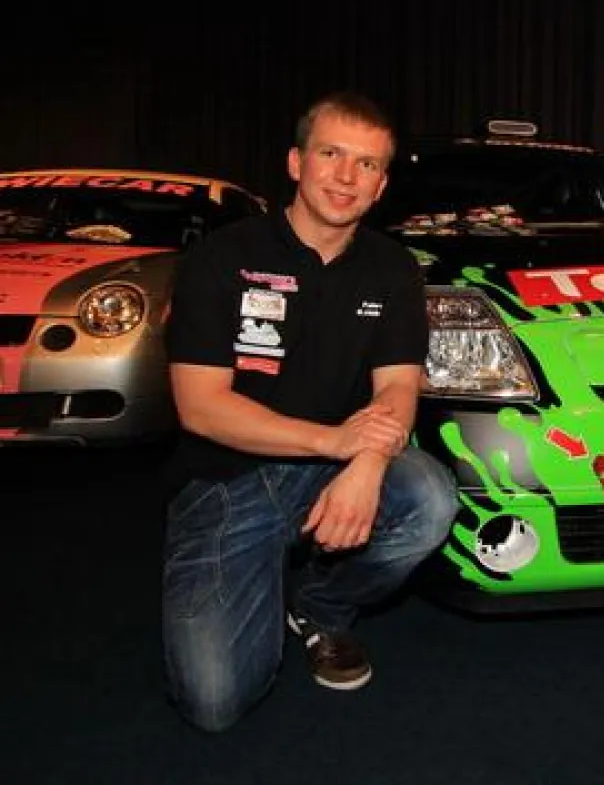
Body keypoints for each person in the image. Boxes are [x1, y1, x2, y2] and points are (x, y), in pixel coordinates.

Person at [161, 91, 459, 732]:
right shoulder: (221, 258)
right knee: (214, 704)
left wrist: (369, 461)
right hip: (227, 483)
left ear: (381, 186)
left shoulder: (393, 267)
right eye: (332, 154)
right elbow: (201, 409)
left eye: (369, 165)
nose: (348, 177)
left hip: (335, 468)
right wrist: (336, 445)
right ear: (296, 163)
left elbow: (399, 389)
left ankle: (320, 607)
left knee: (428, 498)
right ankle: (252, 575)